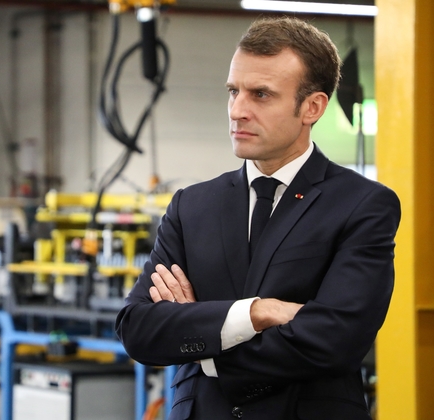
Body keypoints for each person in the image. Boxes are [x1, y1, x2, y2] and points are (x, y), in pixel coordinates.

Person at [115, 16, 400, 420]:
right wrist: (255, 313)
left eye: (261, 94)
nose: (238, 110)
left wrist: (204, 343)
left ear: (312, 107)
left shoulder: (362, 205)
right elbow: (138, 329)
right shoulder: (192, 206)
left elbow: (335, 340)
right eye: (233, 91)